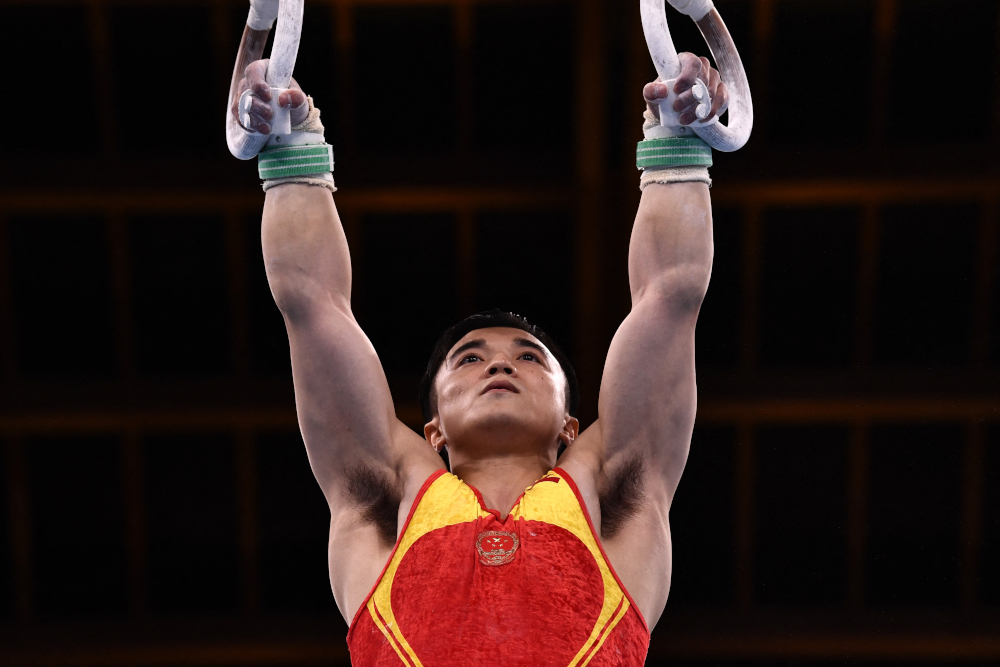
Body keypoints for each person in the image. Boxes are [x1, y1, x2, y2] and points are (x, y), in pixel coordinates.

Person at [234, 45, 727, 665]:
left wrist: (679, 142)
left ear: (570, 426)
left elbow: (670, 295)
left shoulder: (615, 494)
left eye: (529, 357)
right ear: (431, 425)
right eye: (468, 360)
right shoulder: (387, 499)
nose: (500, 364)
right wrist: (291, 143)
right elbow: (311, 304)